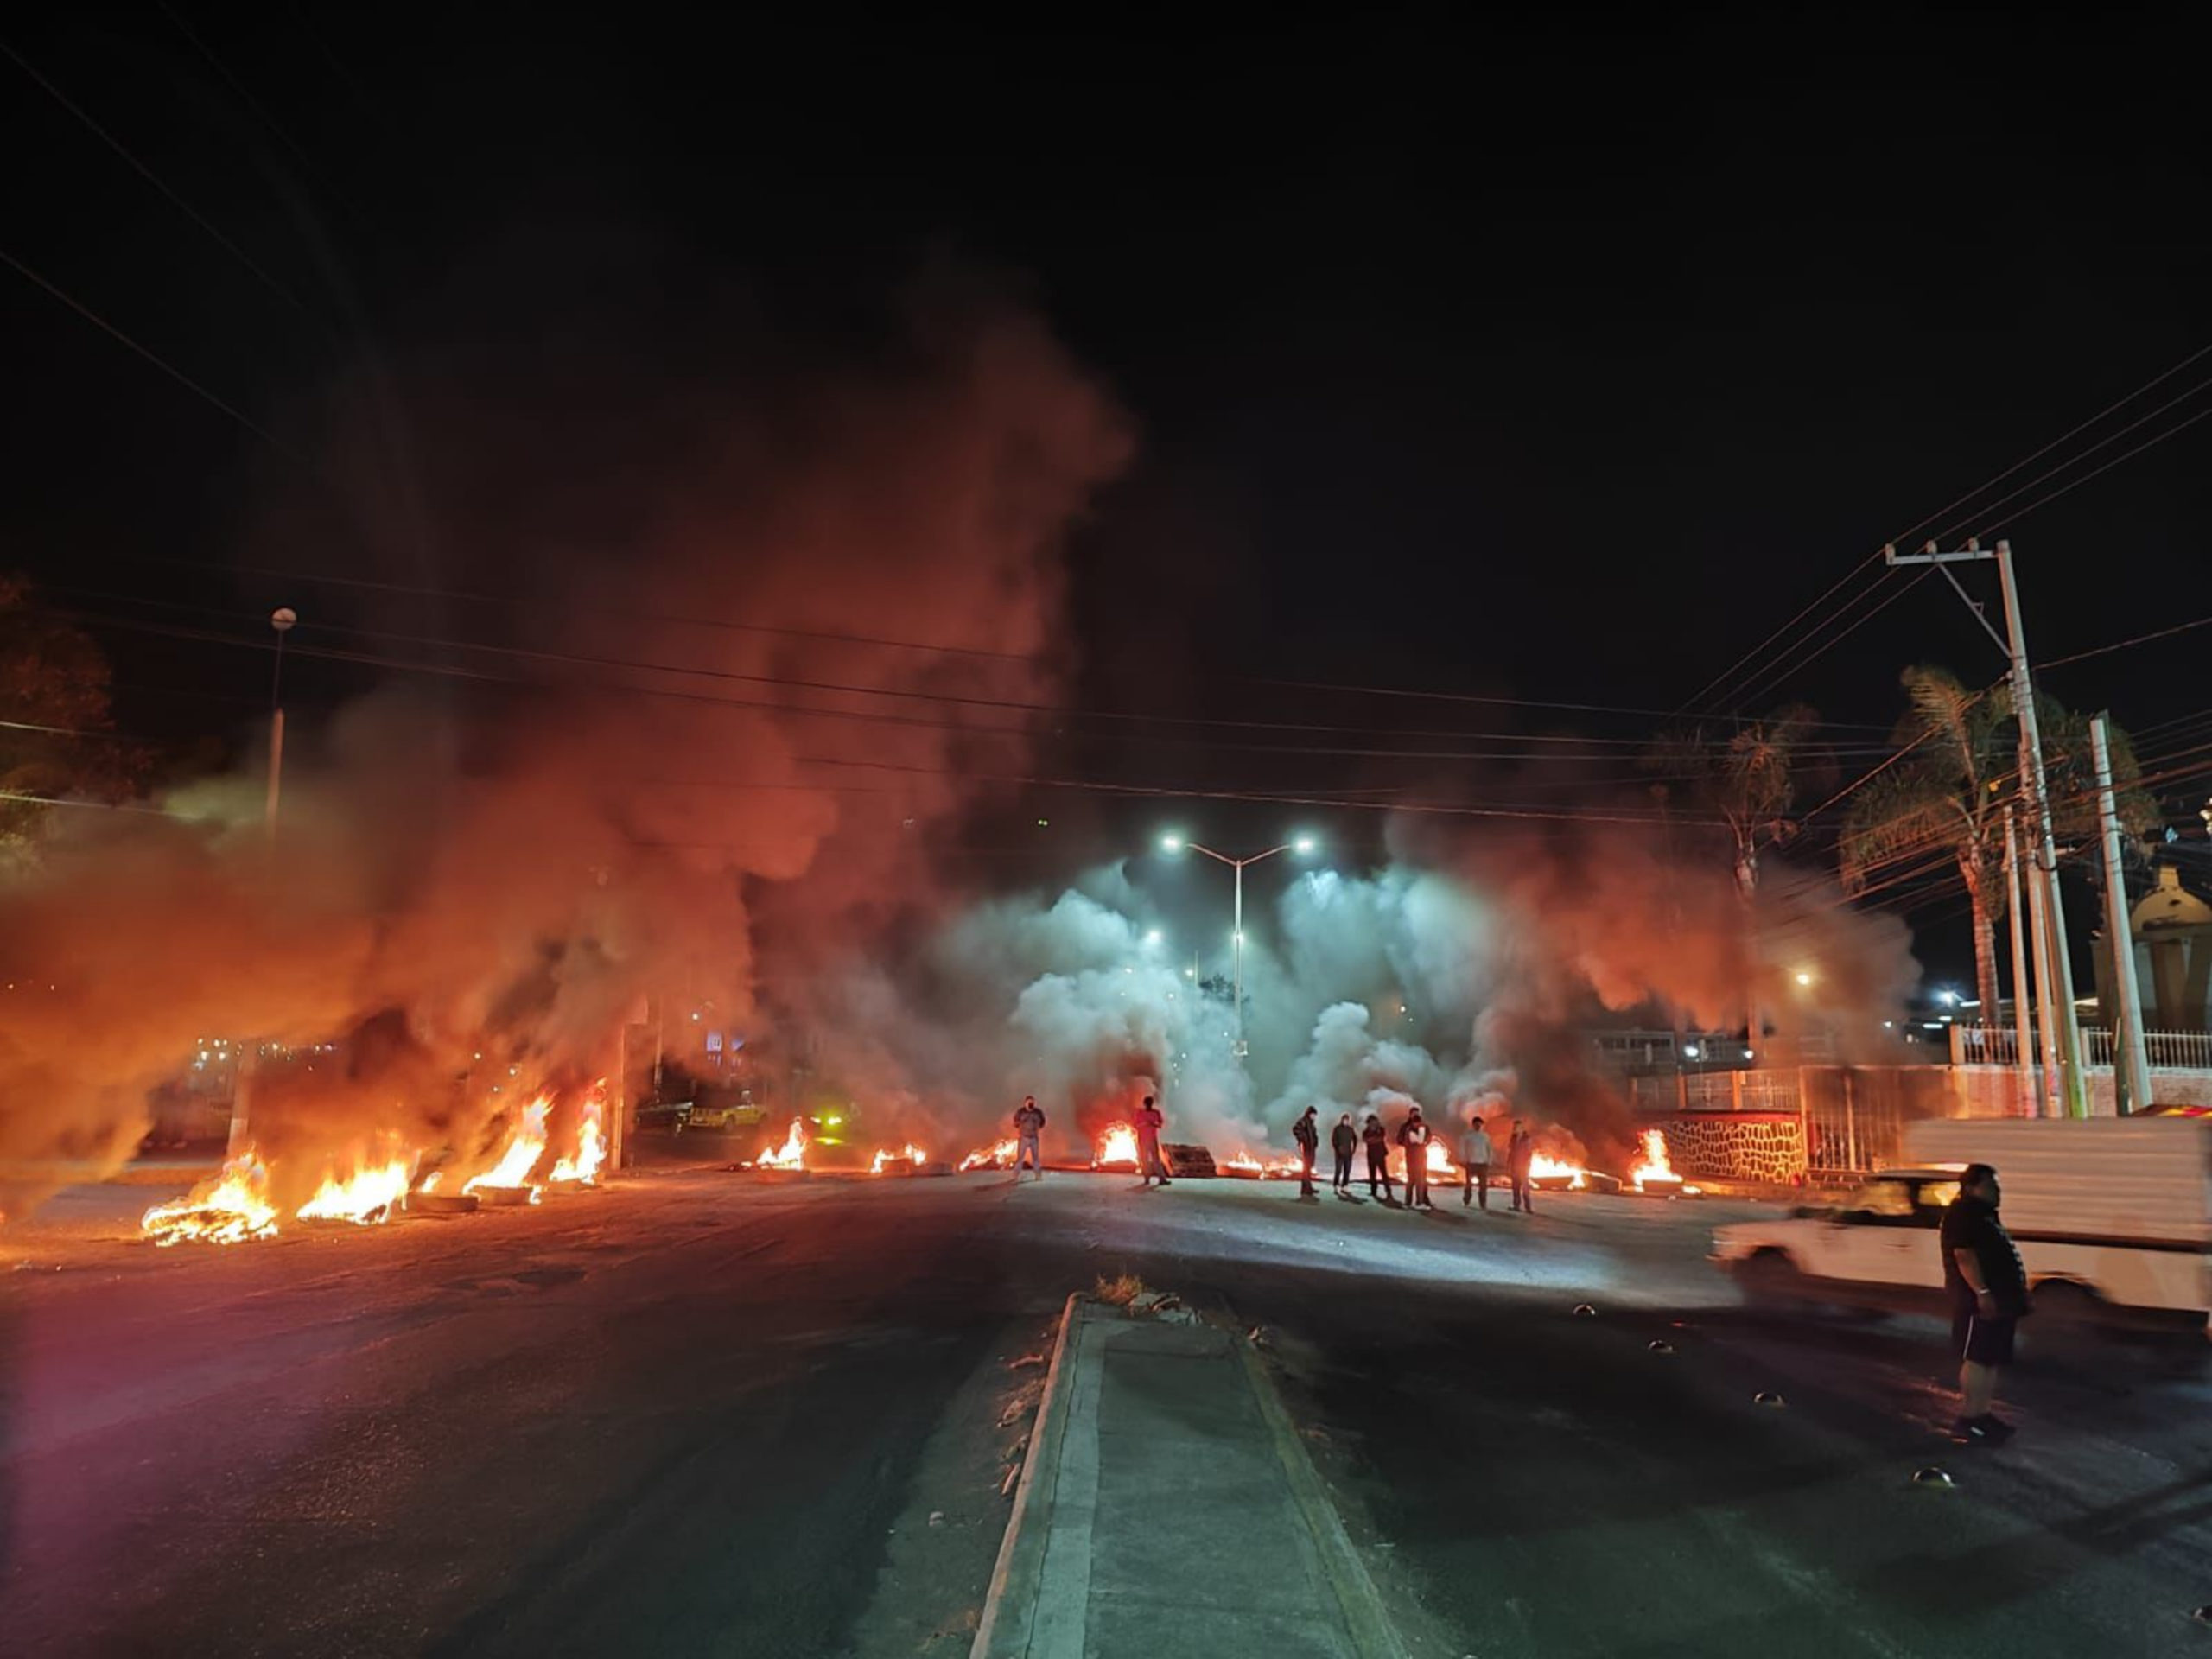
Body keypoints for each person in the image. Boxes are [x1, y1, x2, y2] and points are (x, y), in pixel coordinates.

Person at [1940, 1163, 2027, 1445]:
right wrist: (1983, 1292)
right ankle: (1969, 1419)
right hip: (1976, 1302)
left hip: (1997, 1299)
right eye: (1990, 1186)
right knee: (1977, 1358)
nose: (1997, 1191)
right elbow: (1964, 1255)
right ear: (1971, 1188)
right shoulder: (1963, 1214)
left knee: (1990, 1359)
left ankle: (1982, 1413)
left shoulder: (1983, 1215)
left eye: (1997, 1186)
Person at [1395, 1105, 1435, 1210]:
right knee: (1412, 1179)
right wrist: (1408, 1145)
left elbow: (1429, 1137)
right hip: (1411, 1156)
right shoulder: (1405, 1127)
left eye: (1417, 1113)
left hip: (1422, 1156)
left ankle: (1423, 1200)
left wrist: (1425, 1143)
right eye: (1414, 1113)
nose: (1416, 1115)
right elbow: (1399, 1139)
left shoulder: (1424, 1126)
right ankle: (1409, 1202)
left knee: (1422, 1179)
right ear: (1410, 1114)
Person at [1135, 1094, 1172, 1187]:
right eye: (1148, 1103)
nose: (1149, 1104)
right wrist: (1146, 1124)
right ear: (1145, 1104)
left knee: (1155, 1160)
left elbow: (1160, 1125)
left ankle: (1161, 1179)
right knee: (1145, 1159)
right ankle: (1147, 1179)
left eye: (1150, 1103)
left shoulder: (1156, 1113)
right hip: (1143, 1139)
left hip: (1151, 1139)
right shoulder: (1140, 1113)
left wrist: (1153, 1124)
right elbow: (1136, 1125)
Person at [1459, 1113, 1495, 1210]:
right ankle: (1466, 1200)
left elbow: (1489, 1149)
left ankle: (1483, 1203)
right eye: (1477, 1124)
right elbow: (1463, 1148)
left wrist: (1489, 1160)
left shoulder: (1485, 1136)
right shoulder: (1468, 1136)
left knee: (1483, 1186)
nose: (1479, 1126)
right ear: (1473, 1124)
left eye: (1480, 1124)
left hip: (1483, 1164)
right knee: (1469, 1185)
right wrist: (1464, 1159)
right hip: (1471, 1163)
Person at [1361, 1113, 1394, 1199]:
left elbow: (1380, 1138)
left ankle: (1388, 1192)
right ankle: (1373, 1191)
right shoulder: (1366, 1132)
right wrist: (1374, 1139)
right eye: (1370, 1122)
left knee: (1384, 1175)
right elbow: (1365, 1140)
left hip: (1380, 1155)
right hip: (1371, 1155)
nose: (1372, 1124)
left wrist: (1372, 1140)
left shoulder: (1381, 1129)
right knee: (1372, 1175)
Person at [1013, 1096, 1046, 1181]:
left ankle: (1038, 1175)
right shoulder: (1021, 1112)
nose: (1031, 1104)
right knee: (1020, 1158)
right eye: (1029, 1102)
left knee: (1036, 1158)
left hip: (1034, 1138)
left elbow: (1042, 1123)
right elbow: (1015, 1123)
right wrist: (1022, 1121)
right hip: (1023, 1137)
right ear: (1025, 1103)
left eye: (1032, 1102)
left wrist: (1036, 1127)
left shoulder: (1038, 1112)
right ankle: (1015, 1176)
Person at [1291, 1104, 1321, 1198]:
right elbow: (1295, 1129)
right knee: (1306, 1168)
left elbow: (1314, 1135)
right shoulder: (1303, 1121)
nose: (1314, 1117)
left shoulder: (1311, 1124)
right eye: (1313, 1115)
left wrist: (1316, 1142)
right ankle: (1306, 1189)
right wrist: (1303, 1139)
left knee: (1309, 1168)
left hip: (1311, 1148)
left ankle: (1307, 1188)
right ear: (1309, 1114)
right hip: (1306, 1147)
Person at [1508, 1122, 1535, 1214]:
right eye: (1515, 1127)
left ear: (1522, 1128)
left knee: (1525, 1188)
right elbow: (1510, 1152)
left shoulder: (1527, 1139)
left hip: (1523, 1166)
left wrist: (1527, 1164)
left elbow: (1529, 1152)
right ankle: (1516, 1205)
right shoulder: (1513, 1138)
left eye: (1518, 1127)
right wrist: (1509, 1164)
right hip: (1514, 1165)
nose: (1515, 1129)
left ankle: (1528, 1207)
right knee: (1515, 1187)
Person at [1330, 1112, 1358, 1194]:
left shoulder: (1350, 1129)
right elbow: (1334, 1140)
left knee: (1347, 1170)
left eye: (1347, 1120)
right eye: (1344, 1120)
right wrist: (1337, 1149)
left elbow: (1355, 1139)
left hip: (1348, 1154)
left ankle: (1345, 1186)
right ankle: (1335, 1185)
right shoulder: (1337, 1129)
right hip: (1339, 1154)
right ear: (1342, 1120)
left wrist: (1354, 1150)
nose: (1346, 1121)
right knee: (1338, 1170)